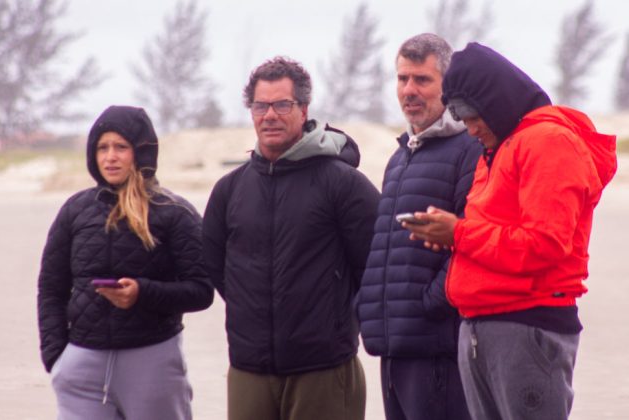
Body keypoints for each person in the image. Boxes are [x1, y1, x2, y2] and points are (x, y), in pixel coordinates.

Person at [404, 43, 617, 420]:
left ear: (495, 101)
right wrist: (450, 232)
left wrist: (459, 234)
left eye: (471, 115)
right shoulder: (501, 146)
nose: (468, 128)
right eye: (458, 115)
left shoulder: (547, 141)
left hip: (527, 326)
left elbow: (545, 245)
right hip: (485, 325)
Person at [202, 56, 380, 420]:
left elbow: (375, 268)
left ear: (303, 110)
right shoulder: (229, 190)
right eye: (260, 105)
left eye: (282, 104)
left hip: (324, 370)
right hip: (249, 369)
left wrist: (335, 326)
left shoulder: (343, 185)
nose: (270, 115)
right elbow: (218, 270)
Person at [37, 105, 214, 419]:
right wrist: (56, 358)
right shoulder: (74, 210)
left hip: (152, 361)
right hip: (81, 366)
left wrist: (142, 293)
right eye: (102, 148)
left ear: (141, 152)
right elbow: (51, 289)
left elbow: (201, 291)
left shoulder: (175, 212)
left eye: (121, 147)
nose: (110, 157)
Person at [356, 33, 481, 420]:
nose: (409, 90)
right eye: (402, 79)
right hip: (393, 347)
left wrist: (430, 301)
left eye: (422, 80)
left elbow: (473, 239)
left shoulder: (469, 150)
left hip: (437, 349)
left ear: (448, 85)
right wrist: (367, 306)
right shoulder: (400, 157)